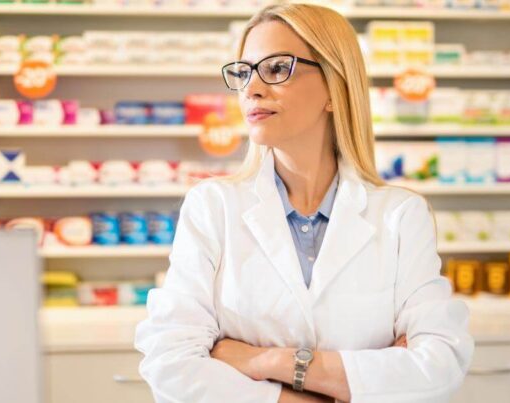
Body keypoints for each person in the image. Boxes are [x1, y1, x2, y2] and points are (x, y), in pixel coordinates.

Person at [134, 3, 473, 402]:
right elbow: (170, 367)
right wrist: (350, 384)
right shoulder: (212, 207)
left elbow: (440, 366)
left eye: (277, 69)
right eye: (244, 73)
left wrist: (266, 362)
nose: (252, 89)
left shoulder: (401, 215)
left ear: (335, 86)